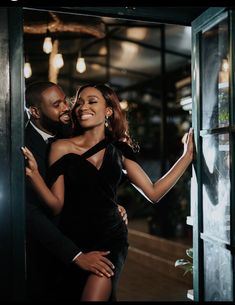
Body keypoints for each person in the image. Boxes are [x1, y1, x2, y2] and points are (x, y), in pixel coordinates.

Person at [22, 83, 194, 301]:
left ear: (108, 110)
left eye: (92, 101)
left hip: (110, 239)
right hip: (74, 240)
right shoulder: (60, 146)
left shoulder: (118, 148)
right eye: (80, 102)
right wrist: (35, 175)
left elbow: (153, 192)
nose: (79, 107)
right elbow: (56, 205)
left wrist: (186, 157)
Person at [24, 81, 128, 301]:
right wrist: (76, 255)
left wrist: (110, 205)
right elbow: (30, 212)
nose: (66, 108)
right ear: (35, 111)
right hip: (49, 253)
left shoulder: (70, 129)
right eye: (56, 104)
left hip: (95, 239)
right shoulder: (21, 146)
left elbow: (92, 177)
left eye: (66, 101)